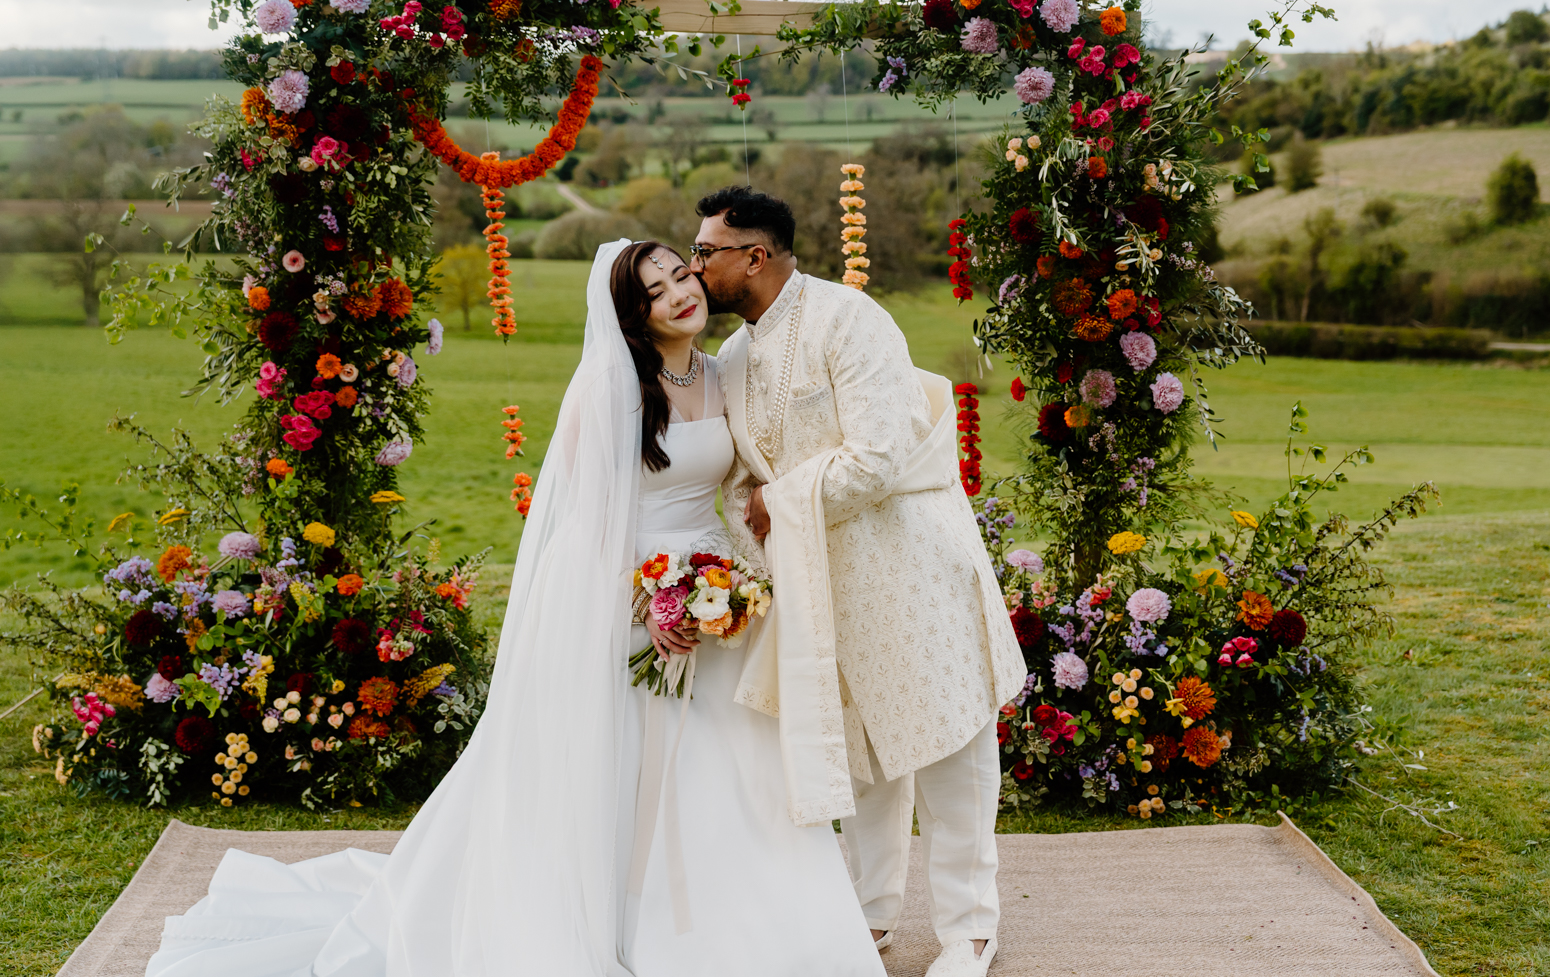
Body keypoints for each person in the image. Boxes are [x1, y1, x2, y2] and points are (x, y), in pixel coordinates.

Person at [144, 239, 885, 977]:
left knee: (736, 766)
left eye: (681, 274)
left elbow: (736, 485)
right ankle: (635, 919)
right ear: (634, 313)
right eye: (657, 290)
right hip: (631, 599)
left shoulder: (725, 375)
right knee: (634, 770)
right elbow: (581, 527)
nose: (680, 293)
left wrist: (730, 584)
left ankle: (749, 931)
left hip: (713, 596)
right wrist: (648, 603)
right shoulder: (611, 388)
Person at [695, 187, 1027, 977]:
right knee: (863, 757)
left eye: (708, 251)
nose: (696, 263)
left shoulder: (850, 319)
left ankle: (971, 928)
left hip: (911, 566)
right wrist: (756, 534)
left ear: (756, 255)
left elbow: (878, 456)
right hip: (820, 583)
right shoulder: (734, 358)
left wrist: (777, 501)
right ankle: (868, 920)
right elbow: (742, 481)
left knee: (949, 745)